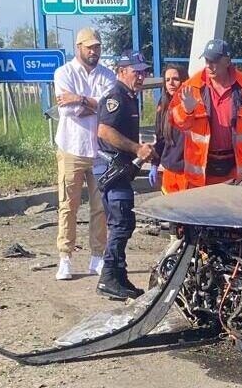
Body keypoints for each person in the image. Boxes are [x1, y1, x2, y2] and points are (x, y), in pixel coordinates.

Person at [52, 27, 115, 282]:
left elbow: (110, 108)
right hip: (72, 147)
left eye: (97, 47)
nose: (94, 51)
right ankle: (65, 257)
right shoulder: (63, 73)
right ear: (78, 47)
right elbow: (66, 112)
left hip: (100, 149)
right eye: (89, 47)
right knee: (68, 204)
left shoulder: (107, 75)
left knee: (100, 206)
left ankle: (97, 256)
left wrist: (79, 98)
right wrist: (94, 103)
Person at [170, 39, 242, 184]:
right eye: (207, 60)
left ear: (227, 62)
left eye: (214, 61)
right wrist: (186, 111)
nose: (209, 66)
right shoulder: (191, 87)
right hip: (201, 176)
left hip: (236, 173)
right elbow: (174, 122)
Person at [95, 51, 155, 300]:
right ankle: (108, 277)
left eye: (143, 72)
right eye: (136, 71)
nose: (141, 76)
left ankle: (119, 276)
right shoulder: (116, 97)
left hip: (122, 170)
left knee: (124, 223)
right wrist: (136, 149)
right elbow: (104, 131)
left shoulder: (130, 97)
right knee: (121, 224)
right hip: (113, 169)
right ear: (122, 71)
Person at [150, 65, 193, 194]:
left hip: (188, 171)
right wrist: (154, 164)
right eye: (167, 80)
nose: (171, 83)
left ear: (184, 80)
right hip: (169, 169)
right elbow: (160, 138)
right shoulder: (162, 105)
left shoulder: (192, 105)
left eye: (175, 79)